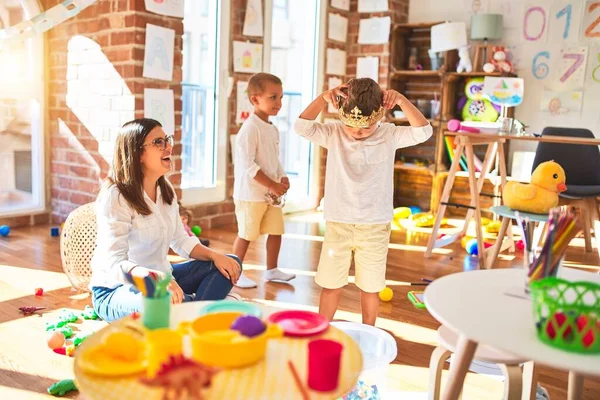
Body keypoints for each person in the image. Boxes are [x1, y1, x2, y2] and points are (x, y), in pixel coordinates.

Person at [294, 78, 433, 325]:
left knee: (371, 286)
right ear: (340, 116)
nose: (358, 131)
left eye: (367, 127)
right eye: (351, 125)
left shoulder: (390, 134)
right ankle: (320, 328)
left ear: (380, 116)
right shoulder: (333, 132)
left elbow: (424, 131)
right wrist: (323, 98)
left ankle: (370, 330)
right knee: (330, 283)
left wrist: (400, 100)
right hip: (338, 223)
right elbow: (302, 127)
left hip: (375, 225)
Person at [90, 118, 242, 322]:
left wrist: (215, 256)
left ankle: (193, 311)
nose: (168, 146)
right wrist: (152, 278)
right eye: (158, 143)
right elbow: (115, 264)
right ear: (137, 153)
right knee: (163, 303)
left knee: (231, 264)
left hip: (165, 278)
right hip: (116, 290)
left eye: (167, 140)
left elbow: (181, 240)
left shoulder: (166, 189)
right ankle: (203, 308)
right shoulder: (115, 196)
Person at [232, 72, 296, 288]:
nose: (279, 103)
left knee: (276, 230)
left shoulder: (272, 128)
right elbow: (249, 165)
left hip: (270, 195)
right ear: (255, 99)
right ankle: (234, 272)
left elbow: (274, 159)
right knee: (246, 234)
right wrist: (272, 184)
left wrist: (282, 176)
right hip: (250, 195)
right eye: (273, 97)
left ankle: (272, 270)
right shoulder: (250, 129)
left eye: (281, 97)